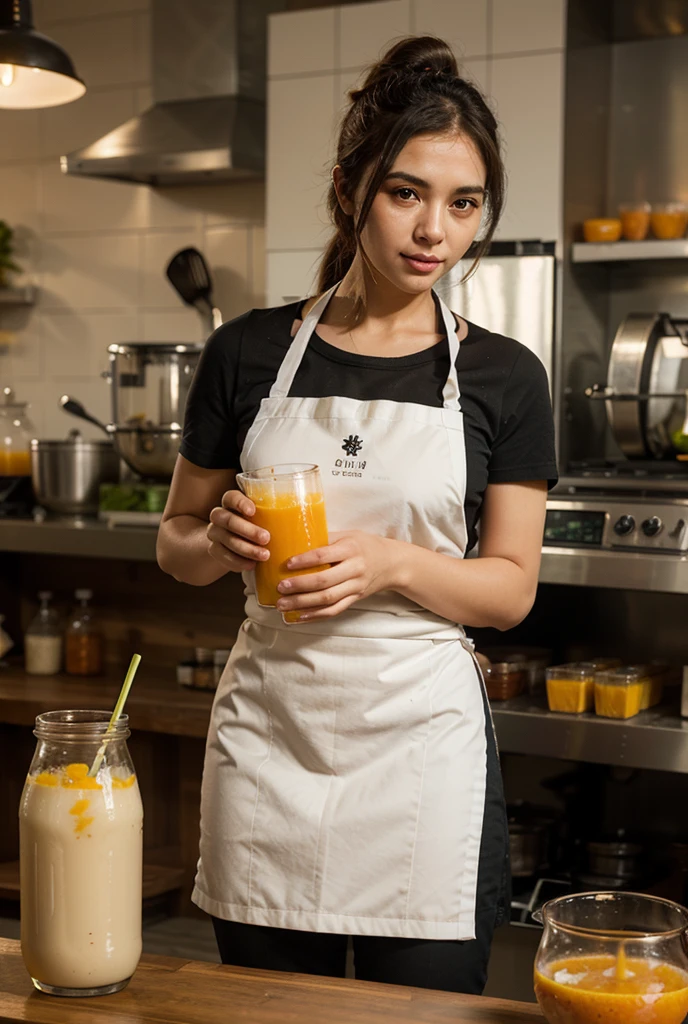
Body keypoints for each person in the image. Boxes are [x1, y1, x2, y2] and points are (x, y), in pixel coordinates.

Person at [157, 34, 557, 994]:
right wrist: (212, 543)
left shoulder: (504, 375)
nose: (435, 231)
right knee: (262, 1014)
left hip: (419, 750)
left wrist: (388, 565)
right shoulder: (248, 352)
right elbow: (173, 542)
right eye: (406, 193)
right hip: (270, 742)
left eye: (464, 205)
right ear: (351, 189)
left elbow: (507, 593)